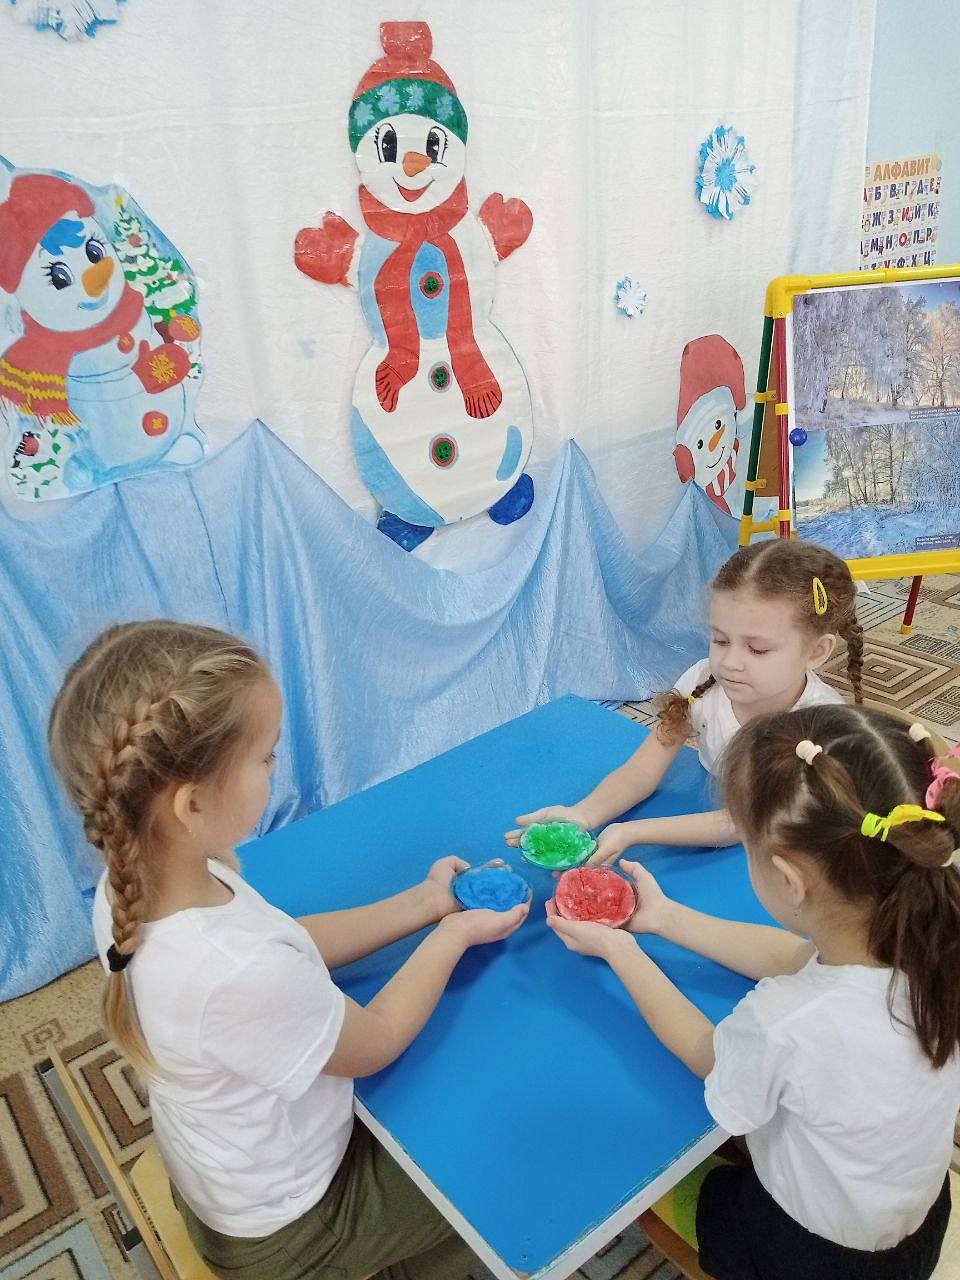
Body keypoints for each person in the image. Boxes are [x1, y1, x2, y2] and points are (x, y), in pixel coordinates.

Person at [49, 620, 528, 1280]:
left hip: (225, 1179)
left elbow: (286, 942)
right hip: (287, 1235)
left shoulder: (131, 885)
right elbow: (377, 1041)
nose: (276, 768)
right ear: (191, 804)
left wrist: (424, 904)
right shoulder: (237, 973)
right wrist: (453, 936)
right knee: (497, 1166)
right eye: (265, 756)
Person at [547, 702, 960, 1279]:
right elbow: (795, 958)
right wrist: (667, 920)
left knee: (634, 1181)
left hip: (808, 1260)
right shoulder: (930, 937)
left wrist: (621, 951)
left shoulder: (787, 1021)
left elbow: (711, 1056)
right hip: (915, 1228)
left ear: (789, 880)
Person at [507, 539, 862, 861]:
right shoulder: (703, 681)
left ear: (816, 652)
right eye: (720, 640)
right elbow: (641, 770)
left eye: (757, 649)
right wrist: (583, 814)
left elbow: (741, 824)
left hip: (784, 846)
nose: (730, 662)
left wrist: (632, 832)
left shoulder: (821, 726)